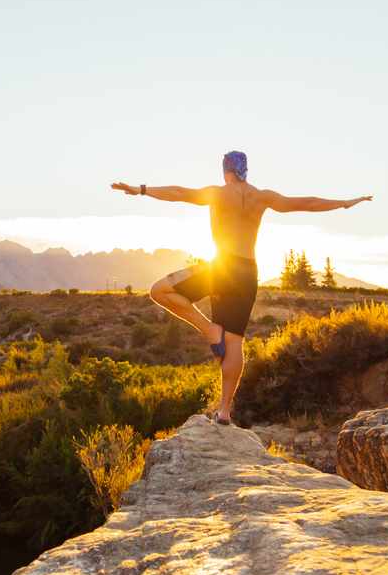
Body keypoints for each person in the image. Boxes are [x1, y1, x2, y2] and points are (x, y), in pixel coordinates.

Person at [111, 151, 372, 425]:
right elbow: (305, 202)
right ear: (246, 170)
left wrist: (140, 190)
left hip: (221, 267)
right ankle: (224, 411)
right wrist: (345, 203)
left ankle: (209, 330)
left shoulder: (218, 193)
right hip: (248, 273)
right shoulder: (263, 196)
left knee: (159, 290)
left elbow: (178, 192)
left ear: (225, 171)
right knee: (234, 342)